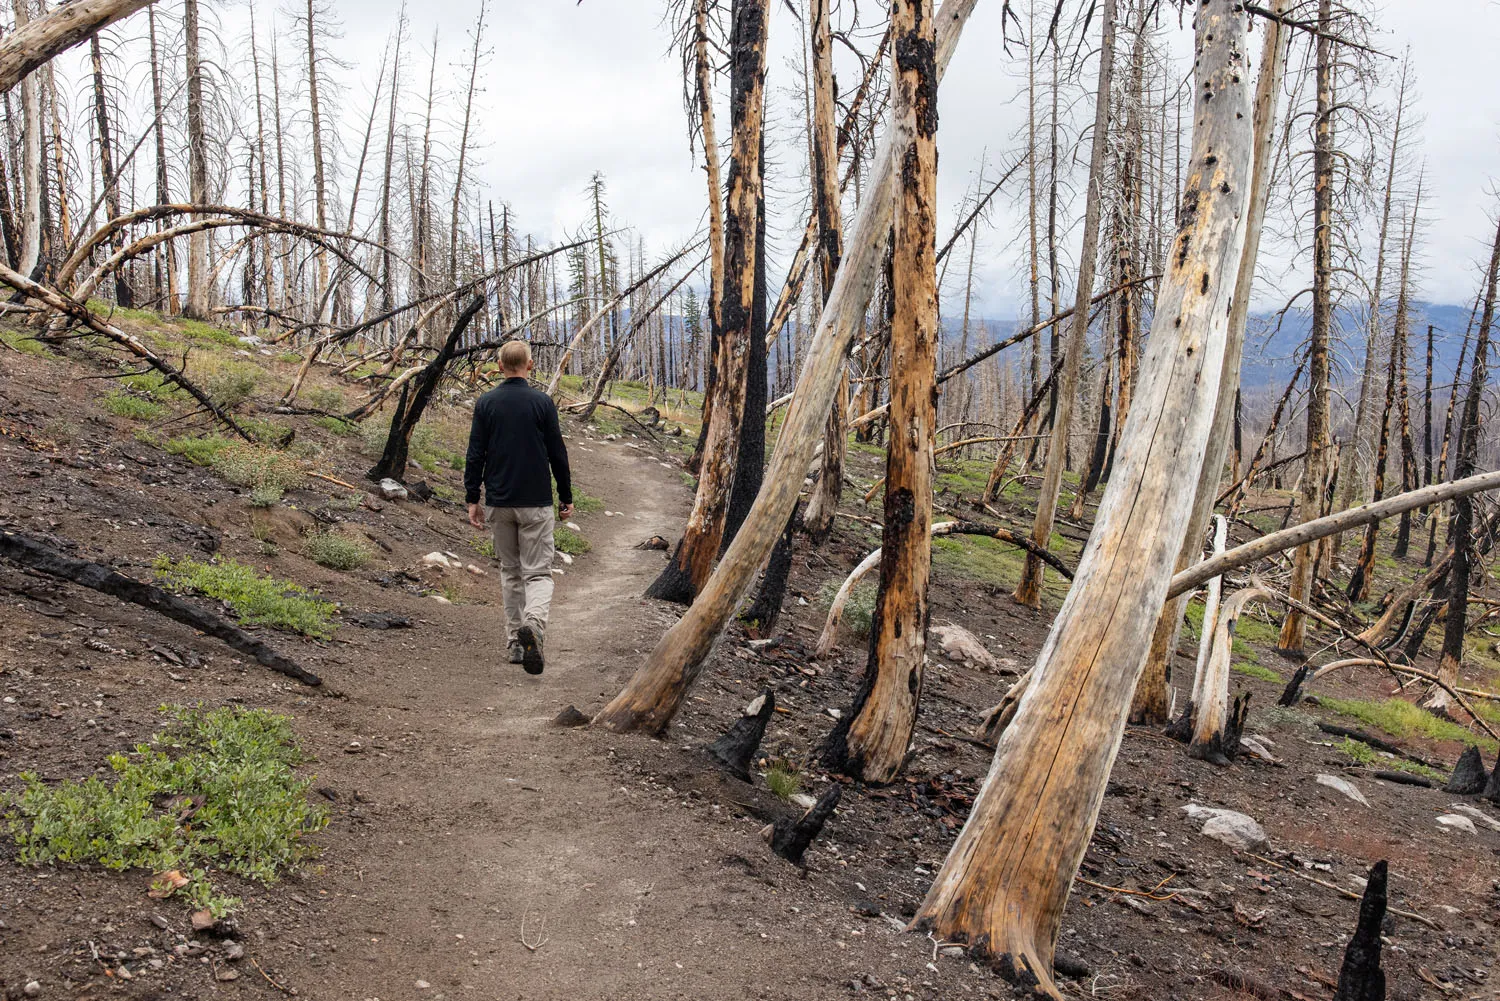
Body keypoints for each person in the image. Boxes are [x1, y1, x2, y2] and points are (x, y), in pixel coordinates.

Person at [464, 341, 573, 675]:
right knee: (537, 572)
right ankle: (535, 627)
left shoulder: (486, 402)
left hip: (499, 501)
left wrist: (472, 497)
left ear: (499, 366)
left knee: (510, 573)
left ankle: (515, 643)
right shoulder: (542, 402)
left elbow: (475, 453)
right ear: (530, 364)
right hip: (536, 502)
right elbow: (557, 452)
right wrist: (566, 495)